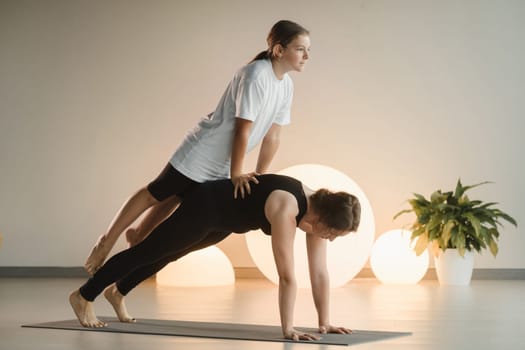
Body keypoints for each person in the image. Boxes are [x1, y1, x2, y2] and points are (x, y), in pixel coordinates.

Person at [84, 20, 311, 275]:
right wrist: (237, 173)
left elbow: (273, 136)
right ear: (279, 50)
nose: (307, 56)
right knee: (157, 192)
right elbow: (242, 129)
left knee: (179, 197)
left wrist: (260, 172)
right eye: (301, 49)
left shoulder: (286, 86)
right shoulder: (255, 75)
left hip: (224, 161)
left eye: (307, 50)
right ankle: (106, 241)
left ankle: (138, 235)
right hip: (203, 150)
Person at [70, 174, 361, 341]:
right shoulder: (288, 207)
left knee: (170, 255)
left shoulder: (315, 216)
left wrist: (325, 322)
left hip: (226, 222)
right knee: (150, 250)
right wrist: (288, 329)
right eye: (334, 233)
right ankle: (85, 295)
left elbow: (320, 273)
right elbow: (286, 274)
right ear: (325, 218)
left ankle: (118, 291)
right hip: (208, 205)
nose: (331, 239)